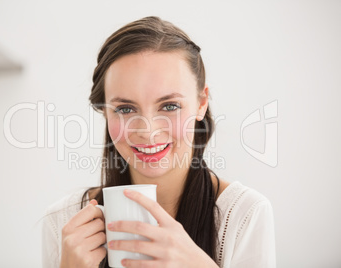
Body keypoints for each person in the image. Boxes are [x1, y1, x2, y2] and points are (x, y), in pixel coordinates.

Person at [42, 16, 276, 268]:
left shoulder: (244, 215)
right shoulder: (64, 222)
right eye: (125, 109)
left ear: (201, 103)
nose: (148, 130)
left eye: (170, 106)